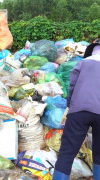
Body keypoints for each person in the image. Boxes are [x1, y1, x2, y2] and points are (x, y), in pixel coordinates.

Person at [53, 38, 100, 180]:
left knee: (66, 153)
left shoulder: (84, 62)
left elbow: (72, 86)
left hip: (79, 110)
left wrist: (70, 106)